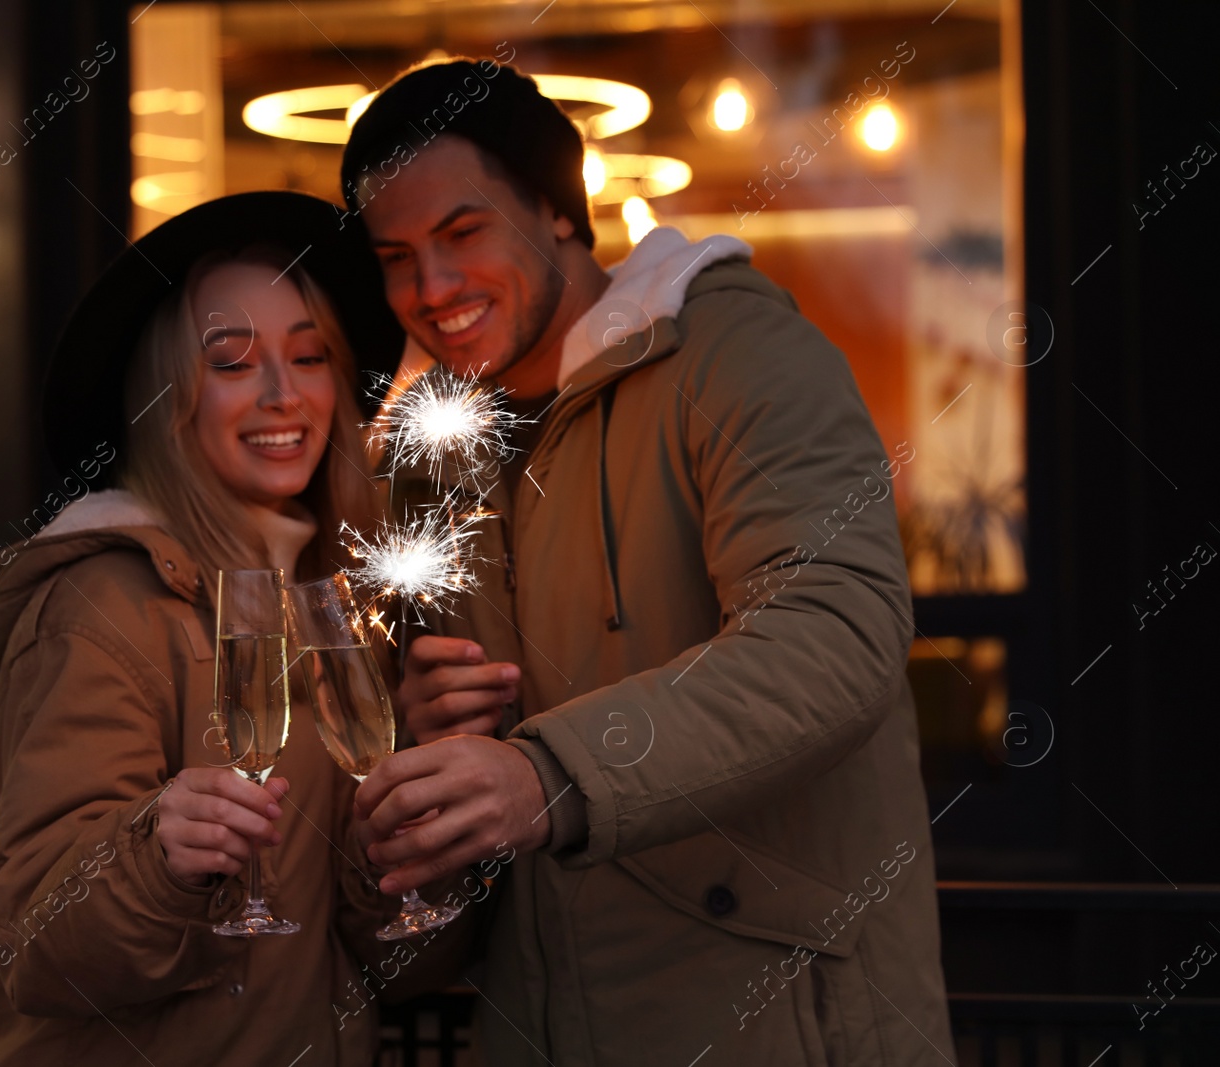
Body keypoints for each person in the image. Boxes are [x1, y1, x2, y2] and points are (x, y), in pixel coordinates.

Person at [343, 58, 956, 1064]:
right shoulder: (432, 447)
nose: (430, 288)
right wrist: (414, 723)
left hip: (778, 1026)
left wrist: (544, 773)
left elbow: (834, 635)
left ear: (557, 212)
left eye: (461, 234)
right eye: (396, 256)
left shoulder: (736, 352)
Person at [0, 191, 445, 1064]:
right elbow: (33, 952)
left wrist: (414, 816)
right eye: (232, 363)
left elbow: (384, 958)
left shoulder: (325, 605)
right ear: (168, 398)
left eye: (309, 356)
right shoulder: (103, 602)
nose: (281, 393)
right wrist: (161, 862)